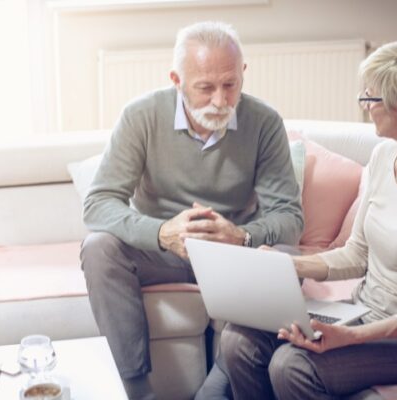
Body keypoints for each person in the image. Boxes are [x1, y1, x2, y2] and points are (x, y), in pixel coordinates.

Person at [220, 39, 397, 399]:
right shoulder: (384, 156)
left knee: (291, 366)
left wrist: (352, 336)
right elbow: (357, 254)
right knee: (239, 340)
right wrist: (288, 266)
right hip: (366, 309)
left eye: (370, 98)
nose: (364, 107)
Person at [80, 21, 304, 400]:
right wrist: (162, 233)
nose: (220, 100)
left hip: (231, 253)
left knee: (285, 258)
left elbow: (290, 219)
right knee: (98, 247)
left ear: (243, 74)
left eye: (230, 84)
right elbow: (98, 204)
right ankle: (136, 390)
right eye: (205, 87)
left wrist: (241, 235)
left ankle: (216, 387)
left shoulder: (264, 122)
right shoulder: (141, 116)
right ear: (176, 80)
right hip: (160, 253)